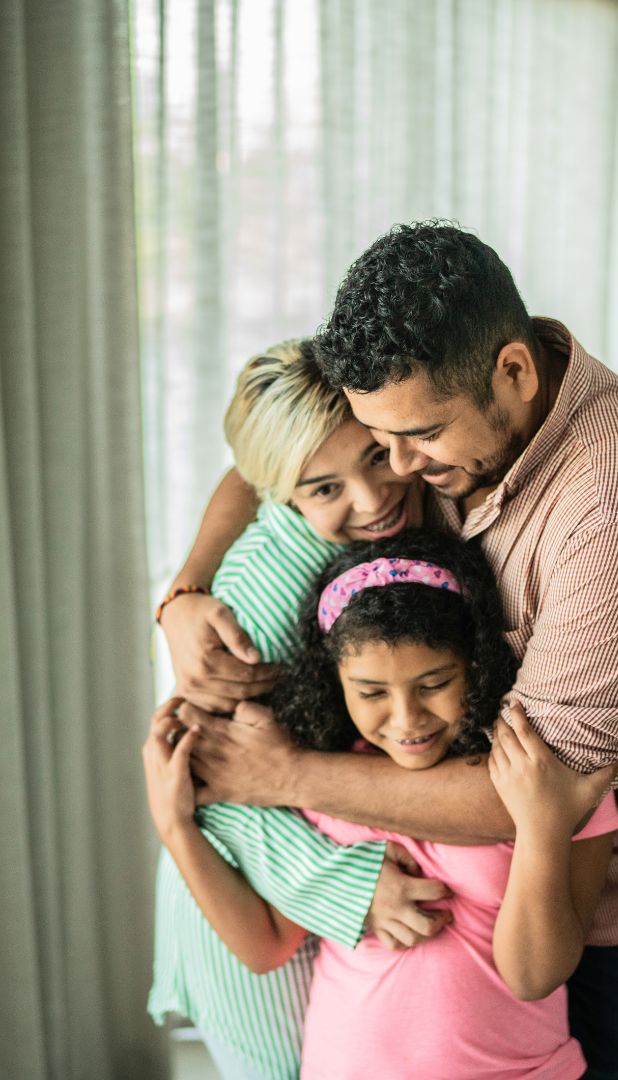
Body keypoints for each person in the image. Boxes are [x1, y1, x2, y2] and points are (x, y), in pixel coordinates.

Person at [165, 221, 618, 1079]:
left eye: (416, 440)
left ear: (516, 373)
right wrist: (185, 590)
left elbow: (524, 800)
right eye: (379, 440)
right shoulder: (447, 389)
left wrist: (280, 776)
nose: (395, 469)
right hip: (493, 902)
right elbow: (275, 451)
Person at [145, 530, 618, 1080]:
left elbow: (533, 977)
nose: (406, 719)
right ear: (336, 683)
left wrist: (541, 825)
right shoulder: (323, 777)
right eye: (371, 692)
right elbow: (266, 944)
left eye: (435, 683)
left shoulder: (536, 780)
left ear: (476, 662)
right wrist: (175, 826)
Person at [145, 338, 440, 1080]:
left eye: (375, 457)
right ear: (280, 489)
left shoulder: (332, 536)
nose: (371, 500)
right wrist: (347, 883)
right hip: (241, 902)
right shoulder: (271, 601)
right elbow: (213, 785)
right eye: (324, 488)